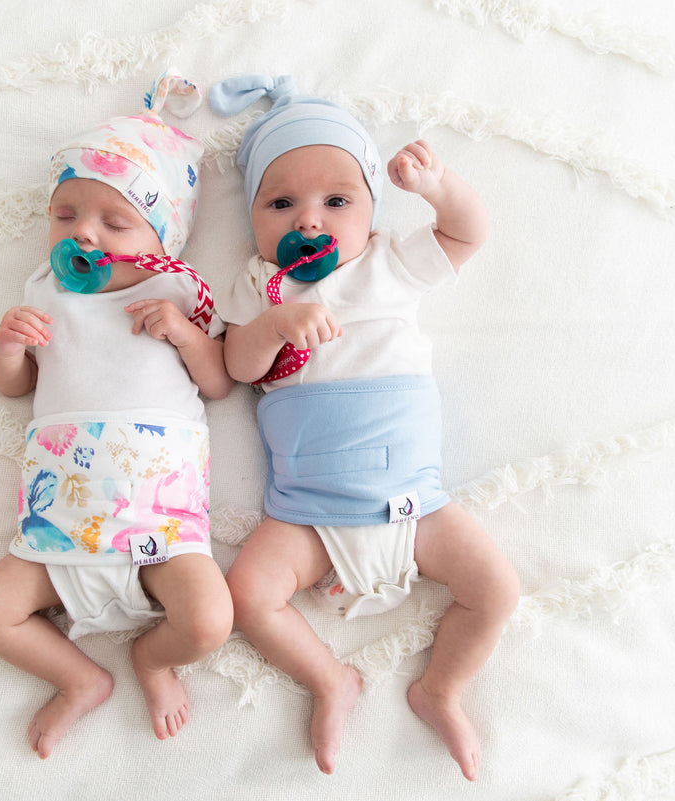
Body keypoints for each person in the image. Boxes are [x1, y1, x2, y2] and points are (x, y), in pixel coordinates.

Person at [210, 75, 520, 780]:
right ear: (253, 214)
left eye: (336, 201)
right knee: (249, 597)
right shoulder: (259, 287)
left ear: (372, 209)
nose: (308, 221)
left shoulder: (389, 262)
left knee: (497, 589)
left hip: (416, 502)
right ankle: (328, 679)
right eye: (280, 202)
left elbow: (468, 232)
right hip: (307, 516)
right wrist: (278, 323)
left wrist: (439, 188)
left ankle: (441, 687)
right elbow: (233, 365)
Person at [0, 72, 234, 759]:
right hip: (60, 522)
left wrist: (184, 334)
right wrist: (7, 346)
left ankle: (154, 656)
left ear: (160, 236)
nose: (84, 231)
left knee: (207, 621)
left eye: (114, 222)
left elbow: (220, 383)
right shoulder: (45, 292)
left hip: (158, 519)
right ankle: (78, 677)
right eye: (65, 215)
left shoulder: (175, 291)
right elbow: (11, 387)